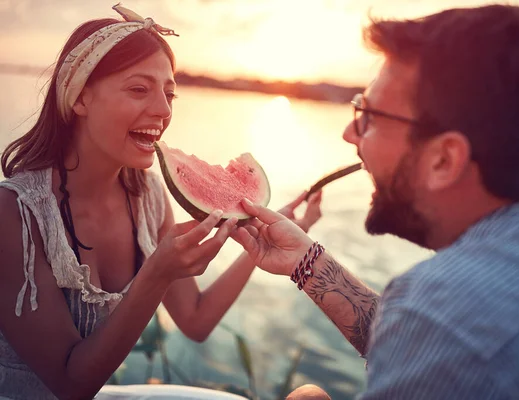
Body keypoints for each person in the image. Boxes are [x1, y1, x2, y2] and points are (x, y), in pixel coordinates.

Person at [231, 4, 519, 400]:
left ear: (444, 160)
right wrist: (307, 261)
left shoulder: (437, 316)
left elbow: (443, 334)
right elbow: (435, 342)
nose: (348, 134)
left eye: (367, 115)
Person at [0, 4, 322, 400]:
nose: (163, 110)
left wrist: (265, 243)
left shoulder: (148, 197)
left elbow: (196, 319)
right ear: (80, 97)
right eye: (139, 89)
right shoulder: (16, 214)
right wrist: (157, 273)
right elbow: (70, 384)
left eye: (169, 94)